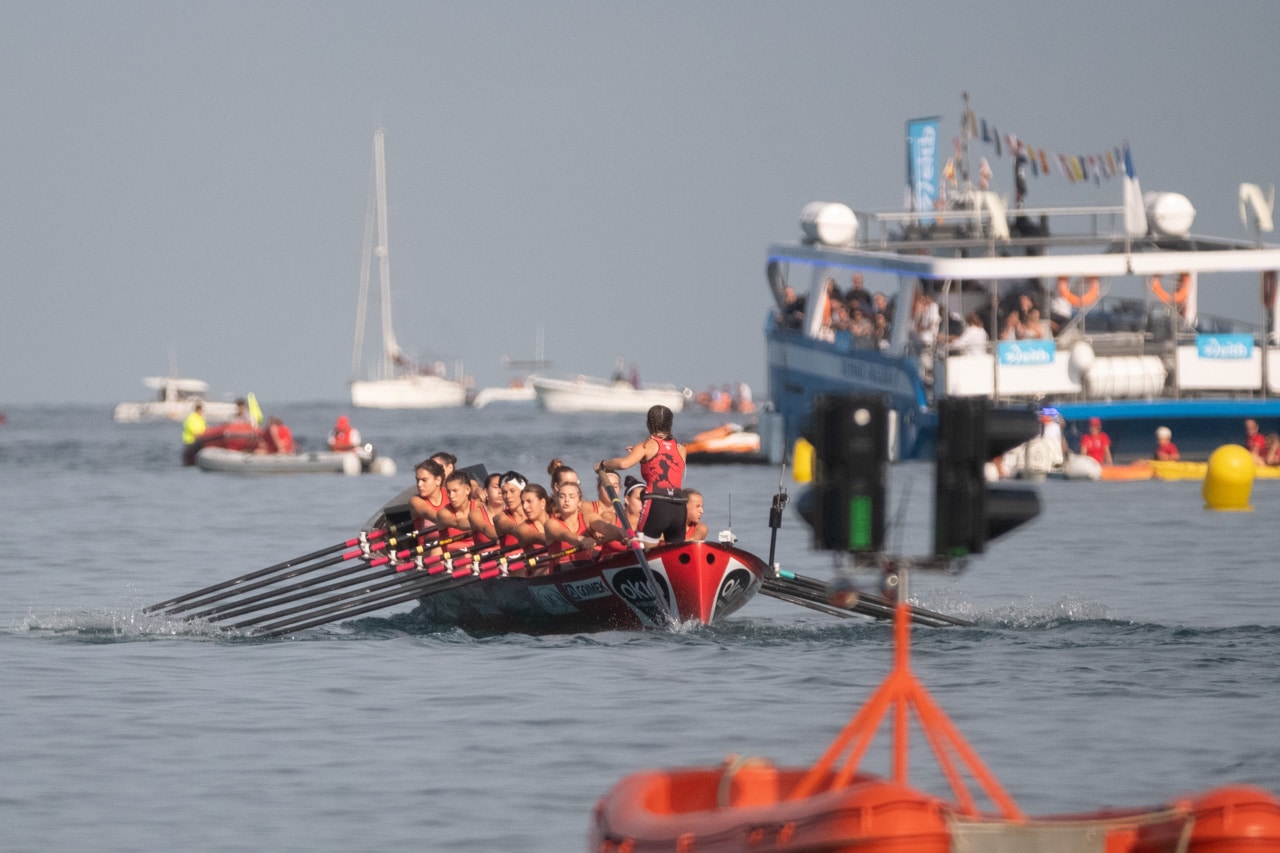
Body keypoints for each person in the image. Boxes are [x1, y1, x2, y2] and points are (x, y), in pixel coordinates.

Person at [597, 404, 688, 544]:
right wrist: (639, 454)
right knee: (674, 552)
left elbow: (623, 464)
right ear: (670, 424)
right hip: (679, 506)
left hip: (656, 504)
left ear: (648, 424)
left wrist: (604, 464)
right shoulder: (682, 448)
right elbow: (668, 464)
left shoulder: (645, 445)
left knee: (645, 550)